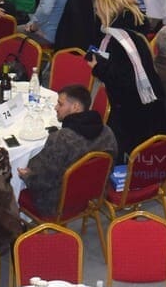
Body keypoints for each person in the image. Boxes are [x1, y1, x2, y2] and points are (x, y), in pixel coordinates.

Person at [91, 0, 166, 157]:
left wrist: (97, 67)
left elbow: (121, 81)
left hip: (133, 114)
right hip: (151, 105)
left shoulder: (117, 40)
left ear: (106, 9)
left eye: (97, 9)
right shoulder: (134, 31)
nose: (96, 14)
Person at [18, 85, 118, 215]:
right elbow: (110, 167)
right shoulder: (107, 132)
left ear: (75, 107)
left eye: (60, 104)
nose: (55, 108)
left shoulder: (61, 139)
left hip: (56, 204)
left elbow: (42, 181)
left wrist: (27, 175)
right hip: (92, 196)